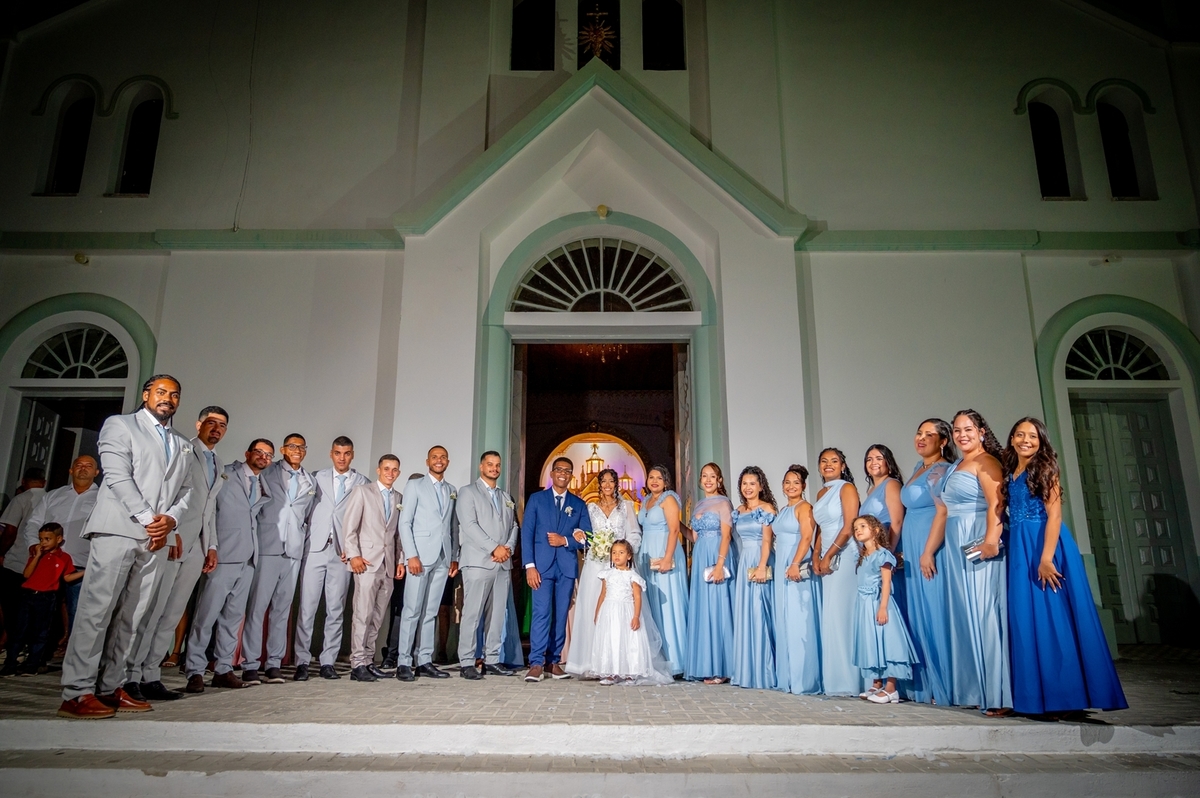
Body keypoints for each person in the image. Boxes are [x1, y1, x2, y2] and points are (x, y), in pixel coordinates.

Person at [58, 375, 194, 720]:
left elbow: (188, 490)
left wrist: (171, 521)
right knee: (97, 611)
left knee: (133, 616)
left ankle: (111, 686)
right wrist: (151, 518)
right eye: (161, 392)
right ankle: (76, 692)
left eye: (174, 395)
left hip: (156, 538)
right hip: (118, 529)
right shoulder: (120, 425)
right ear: (146, 394)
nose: (168, 398)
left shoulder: (180, 442)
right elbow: (118, 476)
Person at [1003, 417, 1127, 718]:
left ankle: (1065, 696)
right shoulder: (1011, 469)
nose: (1025, 440)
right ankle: (1035, 698)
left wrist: (1046, 559)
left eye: (1032, 436)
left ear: (1041, 440)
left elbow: (1054, 516)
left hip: (1045, 545)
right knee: (1026, 620)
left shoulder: (1045, 468)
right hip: (1020, 546)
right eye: (1019, 435)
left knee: (1053, 620)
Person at [126, 408, 227, 701]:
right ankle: (130, 676)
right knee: (152, 608)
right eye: (211, 423)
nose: (216, 429)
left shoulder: (217, 461)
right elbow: (169, 495)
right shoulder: (183, 448)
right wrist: (172, 533)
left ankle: (151, 675)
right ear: (199, 425)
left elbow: (208, 508)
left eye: (222, 425)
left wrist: (211, 546)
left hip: (197, 544)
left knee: (171, 614)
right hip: (174, 538)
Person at [924, 409, 1011, 715]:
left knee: (984, 613)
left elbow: (996, 504)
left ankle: (998, 693)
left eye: (968, 429)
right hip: (955, 543)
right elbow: (944, 509)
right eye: (958, 430)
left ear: (982, 431)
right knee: (965, 614)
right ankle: (975, 687)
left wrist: (990, 541)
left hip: (977, 538)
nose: (962, 435)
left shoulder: (987, 462)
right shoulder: (958, 464)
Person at [183, 439, 273, 693]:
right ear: (247, 453)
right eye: (259, 452)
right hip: (222, 553)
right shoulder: (227, 473)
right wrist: (210, 546)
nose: (264, 457)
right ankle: (195, 670)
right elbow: (210, 509)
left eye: (268, 455)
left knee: (233, 618)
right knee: (206, 615)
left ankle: (223, 668)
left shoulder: (262, 483)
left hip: (248, 557)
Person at [241, 433, 316, 686]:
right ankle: (250, 664)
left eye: (301, 447)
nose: (297, 450)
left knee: (282, 610)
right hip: (268, 545)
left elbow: (306, 516)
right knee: (257, 607)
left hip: (293, 551)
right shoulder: (269, 471)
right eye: (292, 446)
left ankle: (274, 663)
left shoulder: (309, 480)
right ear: (284, 449)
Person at [294, 436, 370, 681]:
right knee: (307, 608)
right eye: (338, 453)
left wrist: (356, 548)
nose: (342, 457)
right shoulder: (316, 477)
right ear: (331, 453)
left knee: (336, 609)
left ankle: (328, 661)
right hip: (315, 549)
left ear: (353, 454)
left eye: (346, 453)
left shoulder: (362, 483)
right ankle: (302, 661)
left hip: (343, 553)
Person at [565, 467, 640, 678]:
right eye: (604, 481)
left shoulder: (626, 507)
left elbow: (634, 534)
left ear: (617, 484)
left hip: (618, 566)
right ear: (599, 484)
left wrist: (623, 553)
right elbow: (580, 531)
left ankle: (619, 662)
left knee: (618, 608)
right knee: (593, 609)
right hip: (595, 564)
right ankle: (592, 662)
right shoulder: (590, 508)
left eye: (611, 481)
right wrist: (580, 535)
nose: (607, 485)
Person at [899, 419, 954, 705]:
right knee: (918, 614)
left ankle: (945, 683)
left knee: (934, 612)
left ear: (943, 441)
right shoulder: (917, 469)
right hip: (913, 544)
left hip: (929, 546)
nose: (921, 438)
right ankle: (926, 685)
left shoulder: (941, 470)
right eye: (919, 432)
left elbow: (942, 512)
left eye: (929, 435)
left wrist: (928, 551)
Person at [395, 446, 459, 681]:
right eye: (435, 457)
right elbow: (405, 522)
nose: (439, 460)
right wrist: (410, 555)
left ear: (448, 461)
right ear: (427, 461)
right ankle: (404, 661)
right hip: (419, 558)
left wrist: (454, 556)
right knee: (411, 610)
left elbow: (452, 526)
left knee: (431, 612)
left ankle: (424, 660)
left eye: (443, 457)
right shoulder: (415, 486)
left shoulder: (451, 490)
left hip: (443, 557)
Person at [522, 456, 588, 682]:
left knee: (561, 616)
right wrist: (529, 566)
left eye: (567, 471)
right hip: (540, 567)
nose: (563, 473)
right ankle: (536, 663)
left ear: (571, 475)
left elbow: (587, 537)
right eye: (559, 469)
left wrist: (566, 541)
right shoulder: (537, 499)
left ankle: (554, 661)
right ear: (552, 474)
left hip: (567, 568)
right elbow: (527, 533)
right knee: (541, 613)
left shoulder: (578, 504)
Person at [456, 451, 520, 680]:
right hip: (478, 562)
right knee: (472, 614)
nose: (494, 468)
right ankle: (466, 661)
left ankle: (492, 659)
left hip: (502, 564)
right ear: (481, 466)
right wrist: (494, 548)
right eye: (490, 464)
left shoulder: (505, 496)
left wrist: (509, 548)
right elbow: (469, 525)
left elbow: (513, 526)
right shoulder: (467, 492)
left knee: (497, 616)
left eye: (498, 465)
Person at [20, 456, 99, 641]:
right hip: (47, 564)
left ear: (96, 472)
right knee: (42, 609)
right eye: (78, 465)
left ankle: (72, 650)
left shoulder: (103, 498)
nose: (83, 469)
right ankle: (36, 651)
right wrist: (33, 543)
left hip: (80, 565)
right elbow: (34, 522)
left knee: (76, 609)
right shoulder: (54, 495)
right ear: (71, 470)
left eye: (89, 466)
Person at [343, 454, 403, 682]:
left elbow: (396, 535)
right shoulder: (363, 491)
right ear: (379, 470)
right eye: (386, 468)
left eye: (394, 469)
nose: (390, 472)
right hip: (366, 562)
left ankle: (368, 661)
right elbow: (349, 526)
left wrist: (399, 561)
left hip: (387, 564)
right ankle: (357, 663)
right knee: (362, 614)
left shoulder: (398, 497)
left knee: (377, 617)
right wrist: (353, 555)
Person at [852, 515, 918, 704]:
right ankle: (877, 682)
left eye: (863, 526)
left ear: (876, 530)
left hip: (879, 602)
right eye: (855, 528)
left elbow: (887, 583)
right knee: (872, 642)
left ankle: (891, 688)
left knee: (887, 641)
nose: (858, 530)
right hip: (864, 604)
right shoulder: (864, 556)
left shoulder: (883, 555)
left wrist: (883, 607)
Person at [589, 540, 674, 686]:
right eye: (614, 552)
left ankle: (630, 672)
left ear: (628, 556)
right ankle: (611, 672)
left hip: (626, 611)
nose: (617, 556)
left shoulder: (632, 576)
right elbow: (603, 594)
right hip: (609, 612)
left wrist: (636, 616)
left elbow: (637, 597)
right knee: (611, 640)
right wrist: (597, 612)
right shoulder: (606, 574)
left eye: (621, 553)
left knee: (627, 640)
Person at [813, 448, 862, 697]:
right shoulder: (822, 492)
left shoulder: (847, 489)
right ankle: (834, 679)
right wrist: (816, 555)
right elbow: (821, 529)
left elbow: (850, 526)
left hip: (845, 553)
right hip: (825, 557)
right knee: (830, 615)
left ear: (843, 465)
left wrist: (830, 555)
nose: (828, 465)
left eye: (834, 461)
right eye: (824, 461)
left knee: (843, 614)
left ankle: (851, 680)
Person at [1, 523, 82, 676]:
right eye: (41, 539)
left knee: (40, 632)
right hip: (28, 595)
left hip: (46, 598)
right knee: (19, 630)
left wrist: (85, 571)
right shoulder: (36, 555)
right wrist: (37, 556)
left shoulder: (64, 558)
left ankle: (32, 665)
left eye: (47, 539)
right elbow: (26, 574)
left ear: (58, 539)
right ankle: (10, 665)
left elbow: (67, 576)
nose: (43, 542)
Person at [682, 463, 737, 684]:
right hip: (700, 556)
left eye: (712, 476)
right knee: (704, 608)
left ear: (719, 480)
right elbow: (694, 537)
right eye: (704, 476)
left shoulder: (724, 503)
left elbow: (726, 536)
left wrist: (719, 564)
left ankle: (723, 667)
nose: (707, 480)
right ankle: (707, 664)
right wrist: (674, 524)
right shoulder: (699, 505)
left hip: (717, 555)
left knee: (718, 606)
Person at [774, 465, 822, 695]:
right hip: (781, 561)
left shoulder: (805, 508)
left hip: (796, 562)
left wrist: (794, 562)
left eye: (795, 482)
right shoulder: (784, 509)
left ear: (803, 485)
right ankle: (788, 677)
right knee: (784, 619)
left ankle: (804, 679)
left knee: (799, 620)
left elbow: (806, 536)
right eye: (787, 482)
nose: (790, 486)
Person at [636, 465, 687, 676]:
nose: (654, 481)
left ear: (666, 481)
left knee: (669, 605)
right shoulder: (645, 501)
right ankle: (656, 659)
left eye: (659, 477)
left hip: (666, 552)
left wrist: (667, 558)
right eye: (651, 477)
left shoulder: (669, 499)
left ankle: (676, 660)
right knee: (651, 606)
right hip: (646, 554)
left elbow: (675, 529)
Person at [730, 465, 776, 690]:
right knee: (746, 614)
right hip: (743, 562)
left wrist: (761, 566)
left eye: (752, 483)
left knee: (759, 612)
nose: (748, 488)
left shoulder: (766, 508)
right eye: (744, 484)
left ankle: (762, 671)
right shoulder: (739, 509)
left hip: (759, 558)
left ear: (760, 486)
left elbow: (767, 540)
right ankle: (746, 670)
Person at [0, 467, 47, 649]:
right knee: (33, 608)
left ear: (23, 482)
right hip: (40, 563)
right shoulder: (50, 499)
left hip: (17, 560)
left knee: (11, 605)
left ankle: (12, 643)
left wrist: (1, 552)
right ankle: (28, 644)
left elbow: (10, 531)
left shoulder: (21, 499)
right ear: (43, 482)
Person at [860, 445, 906, 618]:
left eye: (879, 458)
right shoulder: (871, 490)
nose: (874, 463)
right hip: (873, 553)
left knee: (891, 600)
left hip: (887, 550)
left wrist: (889, 554)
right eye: (869, 459)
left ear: (888, 462)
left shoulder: (891, 484)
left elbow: (897, 521)